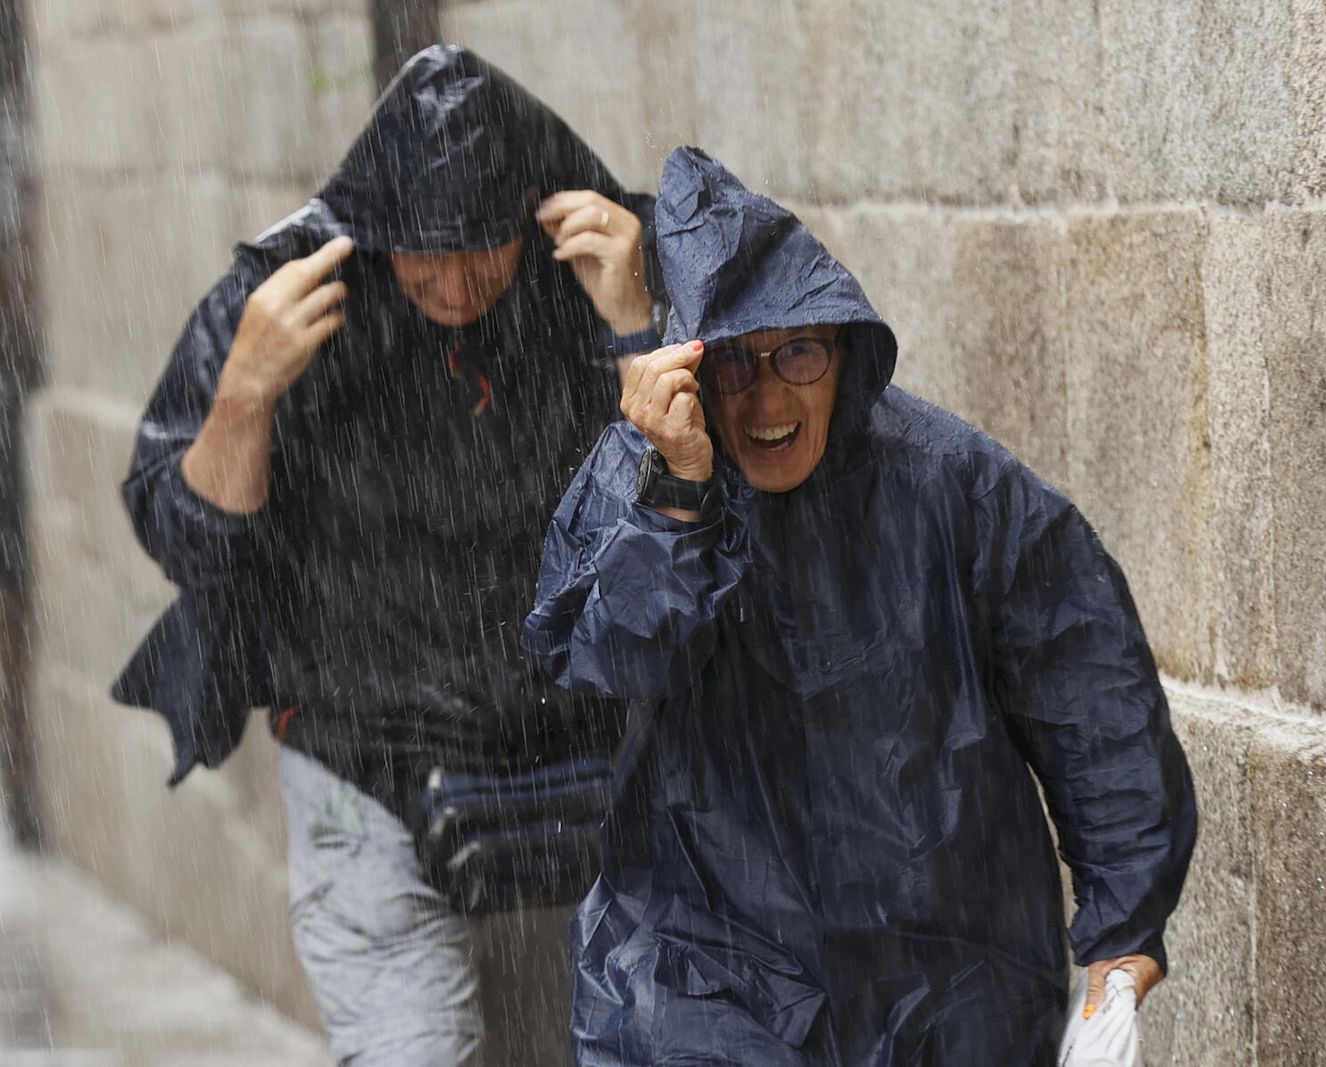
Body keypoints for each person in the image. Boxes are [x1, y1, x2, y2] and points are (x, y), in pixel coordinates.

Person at [524, 147, 1198, 1065]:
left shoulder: (951, 484)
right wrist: (677, 495)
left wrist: (1122, 934)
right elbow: (603, 651)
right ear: (691, 370)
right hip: (703, 964)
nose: (768, 396)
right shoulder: (643, 469)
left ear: (844, 350)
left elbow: (1086, 686)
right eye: (733, 364)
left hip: (946, 965)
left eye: (798, 353)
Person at [113, 46, 665, 1066]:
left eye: (482, 246)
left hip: (589, 751)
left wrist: (637, 329)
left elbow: (696, 522)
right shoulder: (282, 292)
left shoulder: (602, 270)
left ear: (533, 213)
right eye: (421, 253)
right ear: (374, 230)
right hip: (362, 751)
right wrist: (246, 394)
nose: (453, 281)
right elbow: (182, 539)